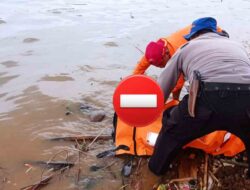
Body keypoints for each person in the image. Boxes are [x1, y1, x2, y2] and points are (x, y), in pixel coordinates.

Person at [148, 17, 250, 177]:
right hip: (247, 100)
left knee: (171, 131)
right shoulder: (238, 46)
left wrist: (148, 111)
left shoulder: (186, 47)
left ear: (194, 35)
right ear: (216, 33)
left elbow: (161, 92)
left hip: (207, 100)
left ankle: (155, 169)